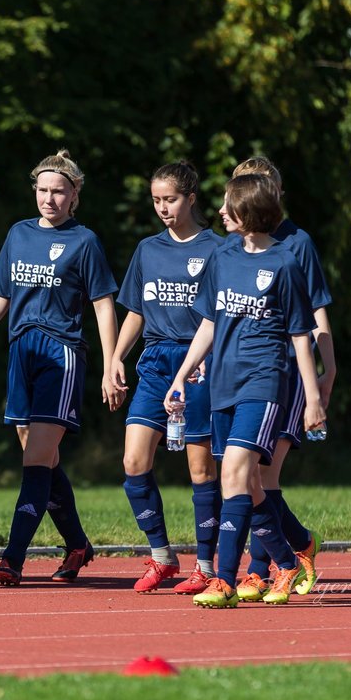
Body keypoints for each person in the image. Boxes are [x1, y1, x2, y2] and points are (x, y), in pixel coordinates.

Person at [0, 149, 120, 586]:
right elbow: (0, 297)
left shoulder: (85, 241)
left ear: (74, 194)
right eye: (42, 190)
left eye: (58, 191)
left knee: (35, 460)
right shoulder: (19, 234)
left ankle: (13, 557)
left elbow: (103, 305)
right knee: (42, 458)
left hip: (61, 354)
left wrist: (110, 362)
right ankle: (78, 544)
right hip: (21, 352)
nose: (49, 198)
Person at [166, 173, 325, 608]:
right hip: (222, 384)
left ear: (250, 212)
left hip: (264, 382)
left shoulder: (286, 263)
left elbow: (299, 336)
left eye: (228, 205)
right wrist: (183, 373)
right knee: (247, 485)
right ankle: (288, 561)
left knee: (236, 472)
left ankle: (224, 581)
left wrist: (313, 398)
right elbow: (210, 322)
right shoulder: (223, 256)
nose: (219, 212)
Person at [110, 161, 224, 593]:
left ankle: (207, 566)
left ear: (191, 198)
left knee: (200, 468)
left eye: (170, 199)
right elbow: (136, 311)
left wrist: (205, 360)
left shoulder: (217, 248)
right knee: (133, 462)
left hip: (197, 364)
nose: (162, 208)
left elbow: (221, 315)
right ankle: (161, 556)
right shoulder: (147, 249)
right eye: (156, 200)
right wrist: (117, 357)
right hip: (156, 362)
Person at [228, 156, 336, 601]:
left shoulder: (297, 244)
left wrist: (328, 371)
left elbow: (316, 311)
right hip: (241, 373)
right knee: (248, 477)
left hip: (287, 372)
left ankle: (261, 568)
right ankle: (295, 546)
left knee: (261, 475)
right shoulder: (233, 246)